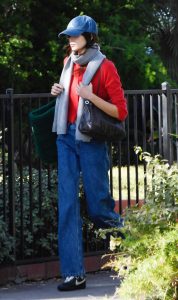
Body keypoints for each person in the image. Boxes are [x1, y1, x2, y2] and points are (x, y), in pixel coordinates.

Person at [51, 15, 128, 292]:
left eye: (75, 36)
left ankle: (138, 245)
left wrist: (91, 95)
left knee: (99, 209)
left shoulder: (105, 67)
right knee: (68, 206)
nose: (70, 40)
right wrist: (58, 90)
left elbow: (120, 112)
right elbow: (69, 98)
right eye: (69, 36)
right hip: (66, 139)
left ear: (90, 38)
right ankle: (74, 274)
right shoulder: (67, 64)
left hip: (92, 141)